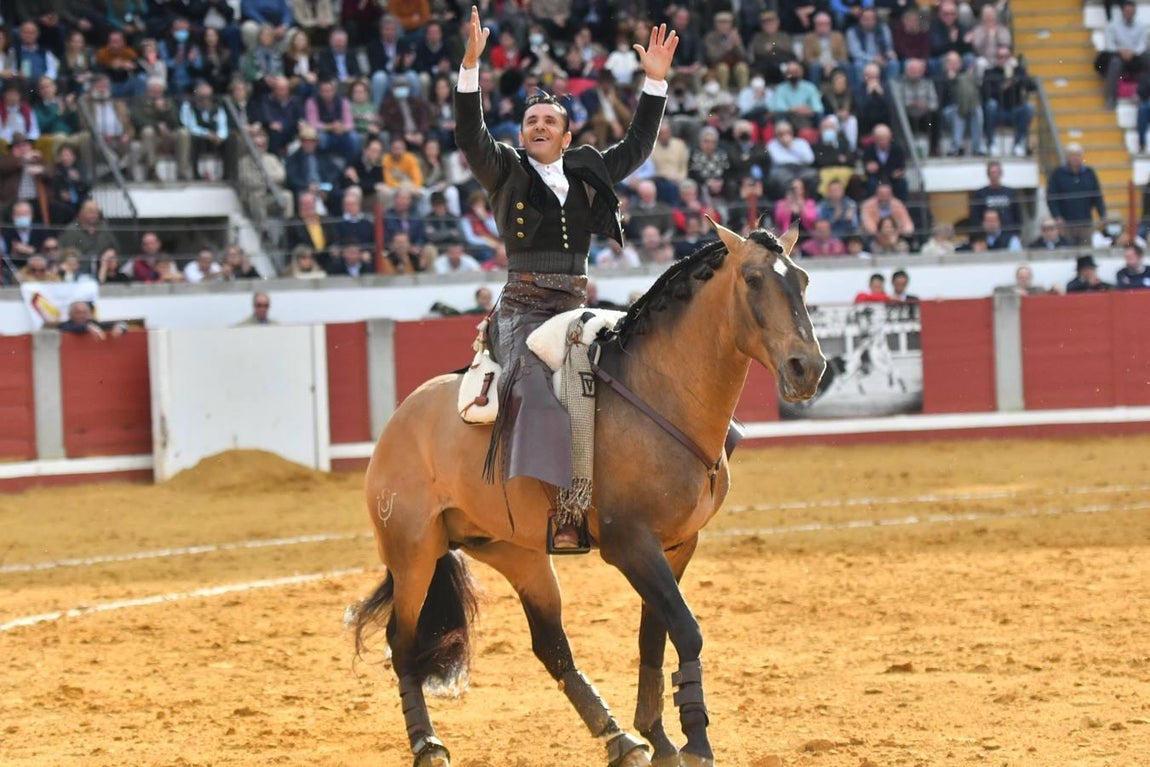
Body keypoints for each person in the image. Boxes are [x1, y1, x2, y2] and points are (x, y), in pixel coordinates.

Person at [454, 6, 675, 551]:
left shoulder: (586, 168)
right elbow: (469, 136)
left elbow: (638, 147)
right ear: (522, 133)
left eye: (549, 120)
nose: (539, 126)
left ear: (566, 133)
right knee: (533, 386)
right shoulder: (503, 168)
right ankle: (564, 510)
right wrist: (470, 70)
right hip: (524, 307)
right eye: (531, 122)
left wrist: (654, 82)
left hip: (576, 305)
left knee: (640, 369)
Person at [1047, 143, 1106, 246]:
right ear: (1067, 157)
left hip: (1086, 222)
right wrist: (1057, 216)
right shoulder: (1058, 174)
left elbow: (1097, 196)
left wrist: (1102, 214)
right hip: (1066, 223)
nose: (1075, 158)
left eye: (1078, 155)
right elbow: (1052, 197)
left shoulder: (1089, 173)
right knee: (1068, 250)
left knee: (1086, 251)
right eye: (1072, 155)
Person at [1103, 0, 1149, 110]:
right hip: (1119, 55)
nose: (1129, 13)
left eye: (1131, 11)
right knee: (1114, 63)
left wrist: (1132, 52)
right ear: (1122, 12)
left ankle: (1143, 94)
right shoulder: (1113, 26)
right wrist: (1121, 51)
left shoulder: (1141, 26)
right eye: (1126, 11)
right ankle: (1111, 98)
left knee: (1148, 59)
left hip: (1135, 56)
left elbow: (1142, 44)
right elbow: (1109, 44)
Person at [969, 160, 1022, 237]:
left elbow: (1018, 214)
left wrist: (1016, 233)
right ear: (988, 174)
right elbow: (975, 217)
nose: (994, 175)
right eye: (992, 172)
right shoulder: (979, 194)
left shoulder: (1011, 192)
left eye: (997, 172)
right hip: (988, 236)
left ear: (1001, 174)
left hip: (1008, 235)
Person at [57, 300, 128, 339]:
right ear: (70, 314)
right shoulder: (65, 325)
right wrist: (87, 327)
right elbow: (70, 328)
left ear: (90, 314)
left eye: (85, 312)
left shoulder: (93, 323)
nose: (82, 315)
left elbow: (119, 324)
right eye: (78, 312)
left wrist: (119, 326)